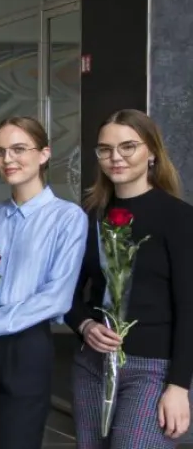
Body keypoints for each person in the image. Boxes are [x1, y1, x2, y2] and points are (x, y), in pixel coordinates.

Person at [0, 116, 86, 448]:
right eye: (0, 151)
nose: (7, 160)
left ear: (44, 154)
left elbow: (56, 298)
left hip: (25, 345)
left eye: (19, 149)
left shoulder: (67, 218)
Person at [65, 109, 192, 447]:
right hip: (91, 366)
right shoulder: (90, 216)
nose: (115, 157)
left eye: (127, 147)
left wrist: (179, 386)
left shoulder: (178, 217)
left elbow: (189, 307)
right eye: (105, 149)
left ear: (151, 152)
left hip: (153, 369)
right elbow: (67, 294)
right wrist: (85, 326)